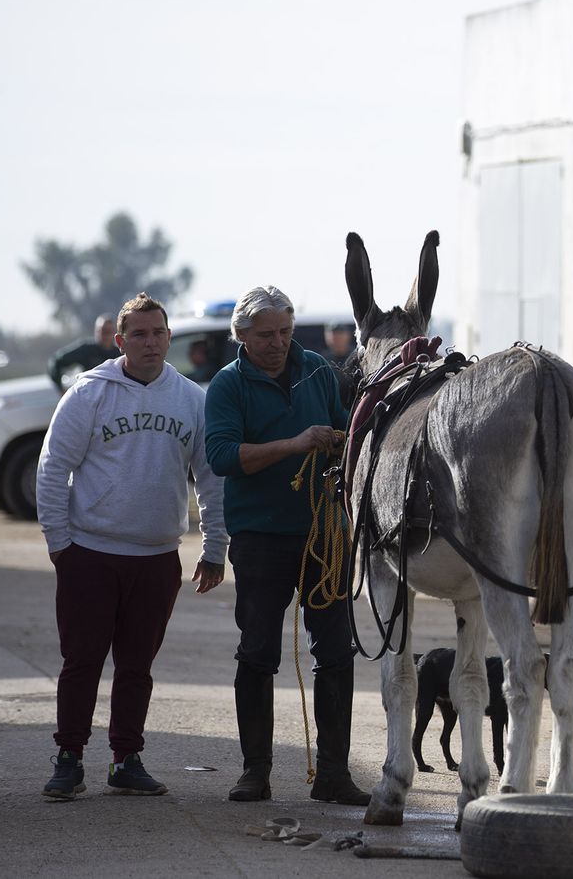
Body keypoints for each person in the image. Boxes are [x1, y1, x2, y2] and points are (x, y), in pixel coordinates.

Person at [36, 293, 228, 800]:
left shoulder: (190, 398)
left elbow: (210, 478)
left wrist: (214, 547)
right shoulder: (90, 393)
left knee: (137, 666)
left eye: (158, 332)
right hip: (90, 553)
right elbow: (53, 466)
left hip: (157, 557)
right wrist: (60, 543)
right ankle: (69, 757)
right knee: (82, 662)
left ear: (169, 336)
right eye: (138, 334)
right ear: (120, 341)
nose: (150, 342)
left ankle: (126, 759)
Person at [203, 286, 367, 805]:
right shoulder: (228, 385)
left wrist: (342, 444)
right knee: (257, 653)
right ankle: (256, 771)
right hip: (260, 537)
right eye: (266, 335)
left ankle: (334, 774)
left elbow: (349, 432)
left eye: (284, 333)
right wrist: (297, 444)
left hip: (324, 534)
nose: (277, 343)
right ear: (242, 337)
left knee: (337, 652)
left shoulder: (319, 370)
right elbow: (224, 456)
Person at [47, 315, 119, 392]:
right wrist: (61, 389)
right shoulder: (87, 350)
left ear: (115, 332)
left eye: (109, 331)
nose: (106, 335)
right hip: (88, 397)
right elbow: (56, 361)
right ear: (96, 331)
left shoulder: (120, 353)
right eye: (102, 331)